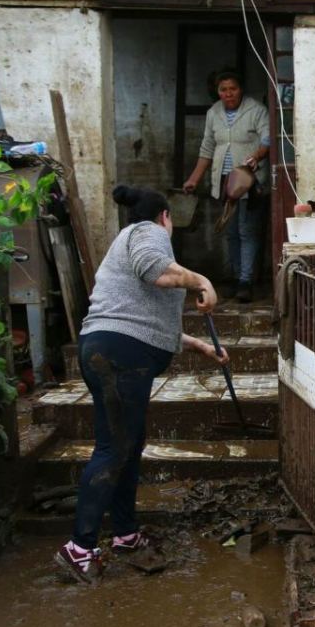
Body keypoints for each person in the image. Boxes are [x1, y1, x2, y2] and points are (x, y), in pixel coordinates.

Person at [55, 185, 229, 584]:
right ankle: (79, 548)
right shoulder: (146, 234)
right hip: (120, 355)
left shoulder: (126, 243)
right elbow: (156, 271)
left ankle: (125, 533)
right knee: (115, 447)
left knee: (127, 443)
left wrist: (200, 345)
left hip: (109, 347)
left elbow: (143, 322)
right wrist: (202, 280)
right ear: (165, 216)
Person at [183, 70, 270, 303]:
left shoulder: (256, 111)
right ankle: (236, 277)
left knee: (247, 230)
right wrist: (194, 179)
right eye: (223, 89)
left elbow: (267, 139)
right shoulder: (214, 113)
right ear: (218, 92)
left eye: (233, 88)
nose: (228, 93)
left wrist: (257, 155)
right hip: (224, 181)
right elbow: (207, 148)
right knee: (231, 233)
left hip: (250, 181)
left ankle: (246, 281)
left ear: (241, 89)